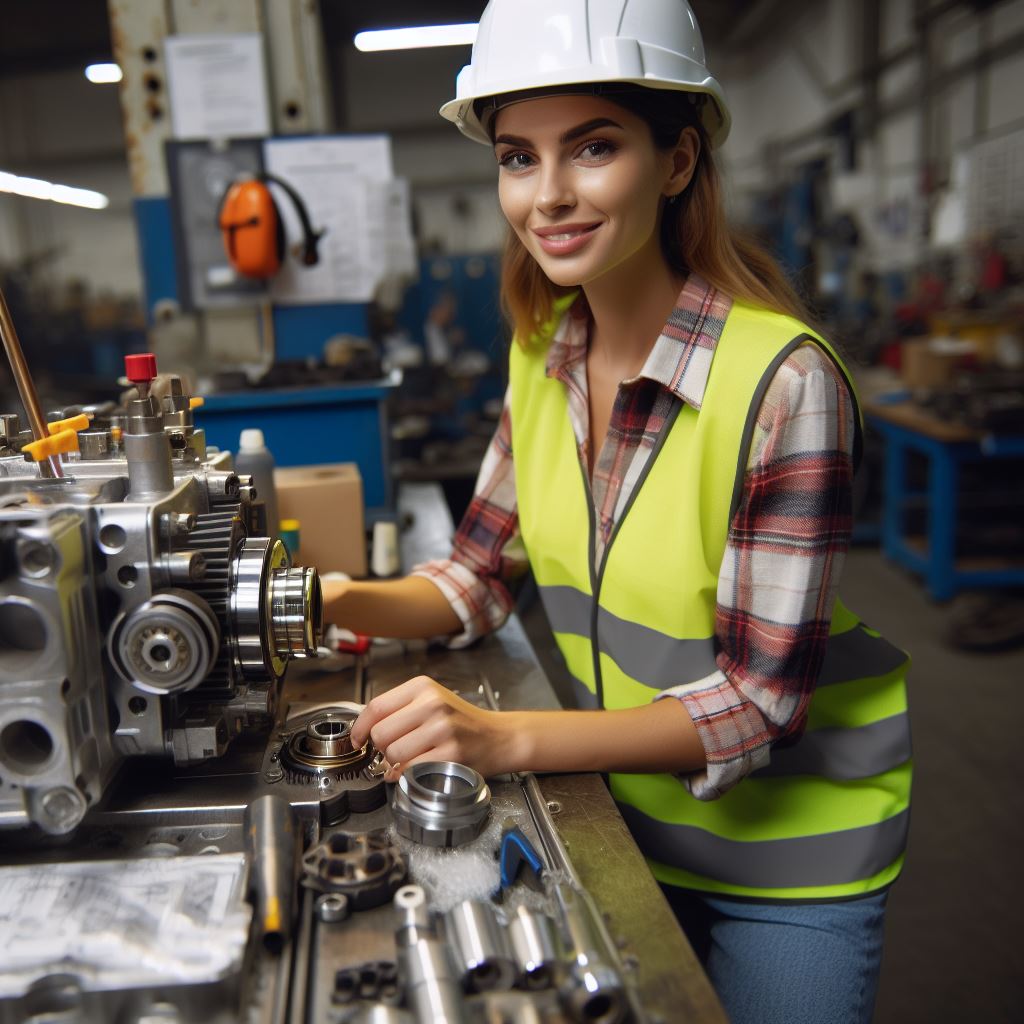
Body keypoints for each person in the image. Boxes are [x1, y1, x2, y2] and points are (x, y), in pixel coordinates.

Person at [323, 3, 911, 1021]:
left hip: (784, 855)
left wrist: (506, 740)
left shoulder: (780, 380)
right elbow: (475, 576)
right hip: (620, 813)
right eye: (517, 157)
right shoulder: (542, 348)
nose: (547, 195)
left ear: (676, 161)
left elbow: (757, 704)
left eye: (592, 148)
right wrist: (325, 598)